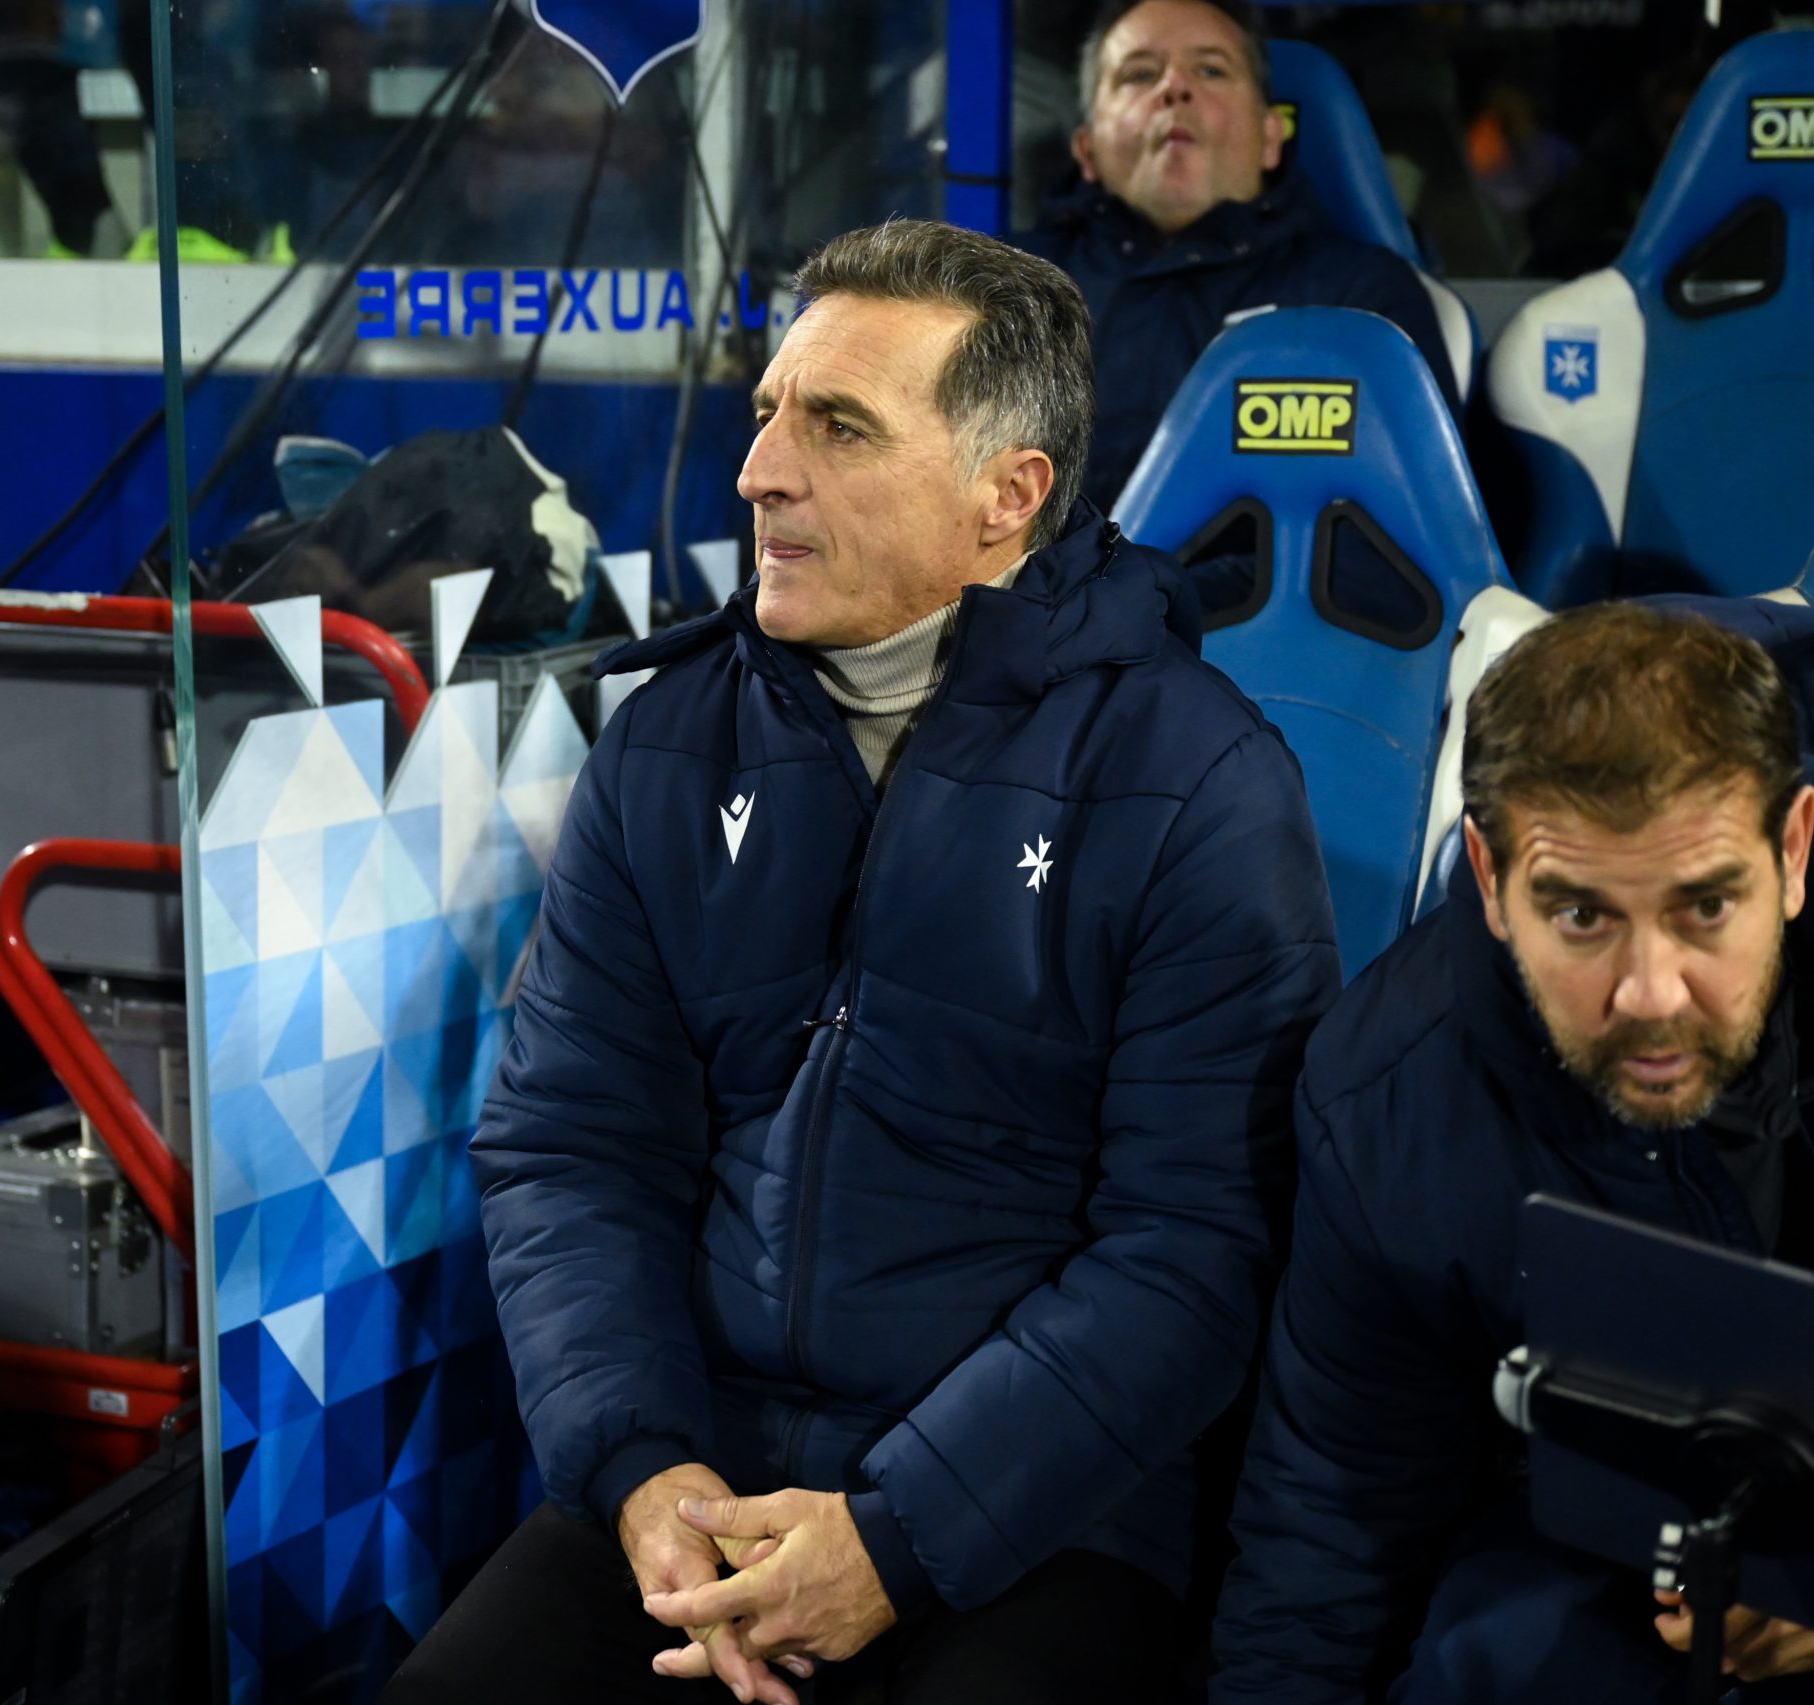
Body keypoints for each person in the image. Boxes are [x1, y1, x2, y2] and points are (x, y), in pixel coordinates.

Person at [384, 218, 1339, 1704]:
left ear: (1004, 497)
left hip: (1043, 1516)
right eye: (769, 412)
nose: (763, 468)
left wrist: (897, 1541)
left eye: (838, 427)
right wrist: (645, 1472)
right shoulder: (669, 743)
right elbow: (574, 1148)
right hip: (699, 1477)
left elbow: (1195, 1251)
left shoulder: (1199, 785)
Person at [1211, 599, 1814, 1703]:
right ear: (1491, 881)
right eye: (1582, 917)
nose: (1650, 994)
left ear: (1790, 848)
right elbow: (1330, 1516)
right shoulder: (1389, 1099)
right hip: (1616, 1556)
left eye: (1703, 907)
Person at [1014, 0, 1461, 523]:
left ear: (1273, 136)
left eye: (1211, 70)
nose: (1174, 89)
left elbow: (1410, 543)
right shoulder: (1006, 290)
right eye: (1139, 74)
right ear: (1086, 149)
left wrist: (1156, 602)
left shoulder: (1361, 301)